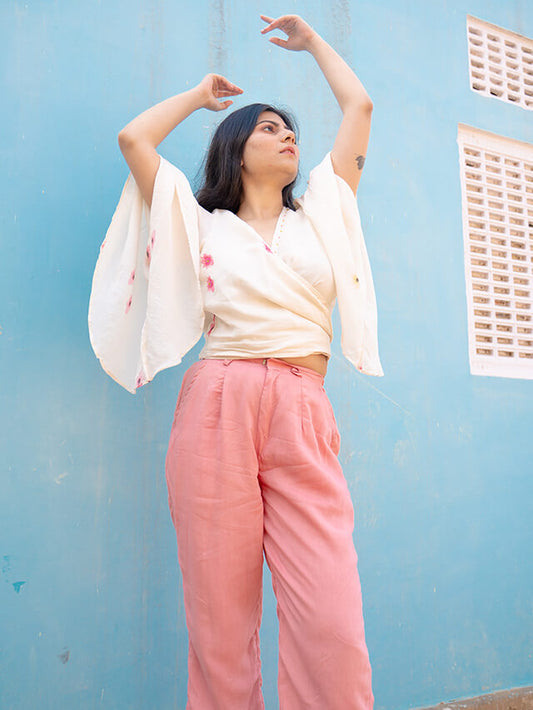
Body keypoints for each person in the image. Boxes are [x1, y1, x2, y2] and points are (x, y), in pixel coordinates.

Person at [88, 13, 384, 710]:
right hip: (217, 403)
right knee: (219, 619)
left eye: (291, 131)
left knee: (330, 616)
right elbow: (134, 139)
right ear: (236, 149)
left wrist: (312, 44)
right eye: (269, 128)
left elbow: (359, 106)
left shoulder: (322, 212)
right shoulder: (199, 223)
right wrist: (196, 95)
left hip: (300, 404)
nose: (287, 138)